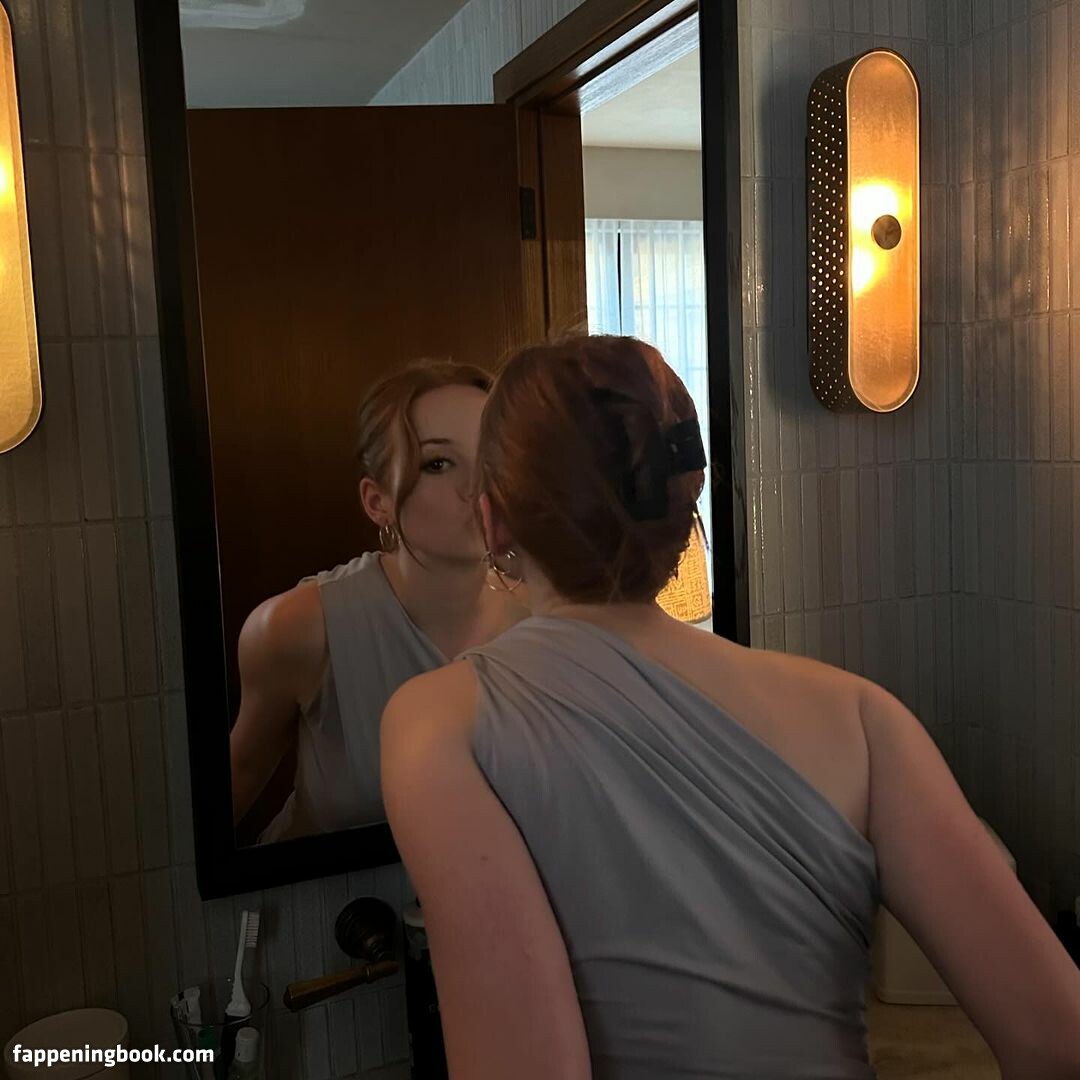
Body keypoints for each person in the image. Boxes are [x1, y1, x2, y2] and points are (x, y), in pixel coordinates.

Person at [381, 335, 1080, 1079]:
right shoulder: (860, 718)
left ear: (493, 522)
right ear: (686, 504)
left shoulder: (438, 724)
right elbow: (1058, 1040)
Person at [230, 359, 527, 843]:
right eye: (437, 463)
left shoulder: (545, 619)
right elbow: (231, 790)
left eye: (493, 458)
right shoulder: (299, 628)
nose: (478, 488)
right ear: (377, 501)